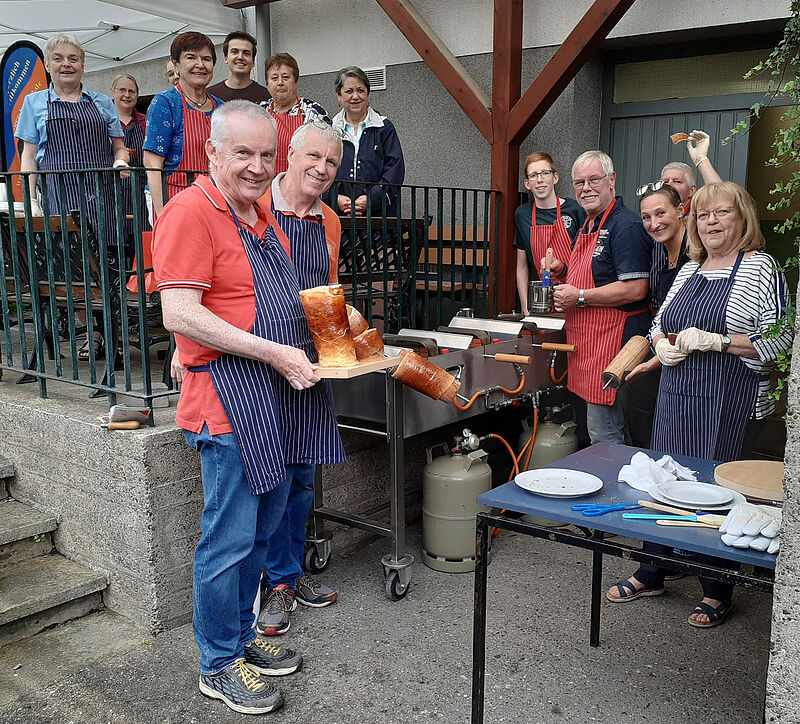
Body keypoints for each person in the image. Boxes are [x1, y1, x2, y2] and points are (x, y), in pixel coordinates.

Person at [153, 100, 346, 714]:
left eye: (267, 154)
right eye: (244, 154)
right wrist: (275, 352)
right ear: (212, 153)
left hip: (271, 395)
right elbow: (179, 312)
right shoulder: (190, 211)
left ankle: (240, 643)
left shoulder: (260, 214)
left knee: (262, 533)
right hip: (227, 399)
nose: (258, 167)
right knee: (228, 539)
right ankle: (217, 663)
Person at [607, 181, 792, 627]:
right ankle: (653, 570)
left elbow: (782, 339)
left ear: (742, 218)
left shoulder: (761, 267)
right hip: (676, 397)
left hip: (729, 402)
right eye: (704, 215)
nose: (711, 222)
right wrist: (660, 346)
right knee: (664, 480)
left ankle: (716, 588)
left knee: (717, 491)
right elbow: (659, 324)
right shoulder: (692, 269)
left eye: (722, 213)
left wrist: (720, 340)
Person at [252, 120, 343, 637]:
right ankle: (276, 583)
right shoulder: (258, 208)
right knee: (274, 477)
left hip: (312, 359)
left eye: (331, 162)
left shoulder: (329, 220)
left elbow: (328, 288)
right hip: (265, 358)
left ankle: (289, 575)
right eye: (313, 156)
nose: (321, 169)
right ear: (290, 153)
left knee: (304, 474)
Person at [15, 33, 130, 359]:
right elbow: (28, 156)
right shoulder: (34, 104)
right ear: (49, 65)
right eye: (59, 58)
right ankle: (92, 334)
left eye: (73, 58)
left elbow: (119, 146)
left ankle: (114, 335)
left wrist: (120, 159)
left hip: (102, 197)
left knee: (109, 266)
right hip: (59, 196)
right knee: (72, 270)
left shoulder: (102, 103)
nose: (66, 64)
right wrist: (30, 200)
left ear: (82, 64)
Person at [549, 151, 652, 444]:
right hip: (587, 345)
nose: (586, 188)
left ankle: (614, 487)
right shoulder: (589, 223)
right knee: (594, 432)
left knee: (606, 436)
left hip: (612, 345)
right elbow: (598, 270)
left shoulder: (626, 227)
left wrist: (579, 296)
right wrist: (563, 269)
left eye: (594, 179)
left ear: (612, 181)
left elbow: (635, 289)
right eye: (579, 182)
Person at [621, 183, 690, 448]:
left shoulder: (697, 251)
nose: (654, 223)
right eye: (647, 217)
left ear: (681, 210)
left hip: (687, 354)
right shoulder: (658, 251)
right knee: (641, 412)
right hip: (661, 345)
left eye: (661, 213)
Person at [143, 32, 223, 219]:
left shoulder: (221, 107)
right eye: (191, 57)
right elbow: (152, 162)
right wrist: (162, 213)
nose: (200, 65)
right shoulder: (165, 103)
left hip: (214, 198)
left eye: (206, 59)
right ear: (176, 64)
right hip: (174, 198)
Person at [513, 151, 585, 314]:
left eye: (545, 173)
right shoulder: (522, 215)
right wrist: (526, 308)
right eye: (533, 175)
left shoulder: (575, 209)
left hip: (575, 295)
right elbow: (522, 265)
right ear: (527, 183)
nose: (539, 180)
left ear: (555, 177)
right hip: (543, 299)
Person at [332, 66, 405, 217]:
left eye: (360, 90)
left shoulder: (384, 128)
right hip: (339, 216)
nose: (355, 96)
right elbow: (321, 168)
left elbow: (395, 169)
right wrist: (334, 197)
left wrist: (373, 198)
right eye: (349, 91)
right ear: (339, 95)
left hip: (379, 218)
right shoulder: (330, 130)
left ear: (368, 95)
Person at [262, 53, 330, 174]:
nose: (280, 83)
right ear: (267, 84)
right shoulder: (260, 111)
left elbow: (325, 153)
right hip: (264, 185)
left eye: (286, 77)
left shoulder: (313, 111)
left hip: (303, 184)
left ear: (296, 82)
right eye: (274, 78)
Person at [111, 74, 150, 264]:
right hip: (113, 190)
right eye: (122, 90)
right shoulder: (104, 121)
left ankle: (139, 285)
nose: (127, 95)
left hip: (140, 189)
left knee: (141, 241)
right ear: (113, 92)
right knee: (114, 240)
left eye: (131, 91)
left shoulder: (145, 122)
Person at [661, 130, 722, 215]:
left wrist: (701, 159)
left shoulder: (700, 213)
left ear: (691, 190)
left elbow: (721, 196)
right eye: (665, 182)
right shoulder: (655, 213)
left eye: (677, 181)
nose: (669, 185)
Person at [208, 31, 270, 103]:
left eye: (246, 53)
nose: (240, 57)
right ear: (226, 58)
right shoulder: (210, 96)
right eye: (234, 52)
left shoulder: (266, 97)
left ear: (253, 61)